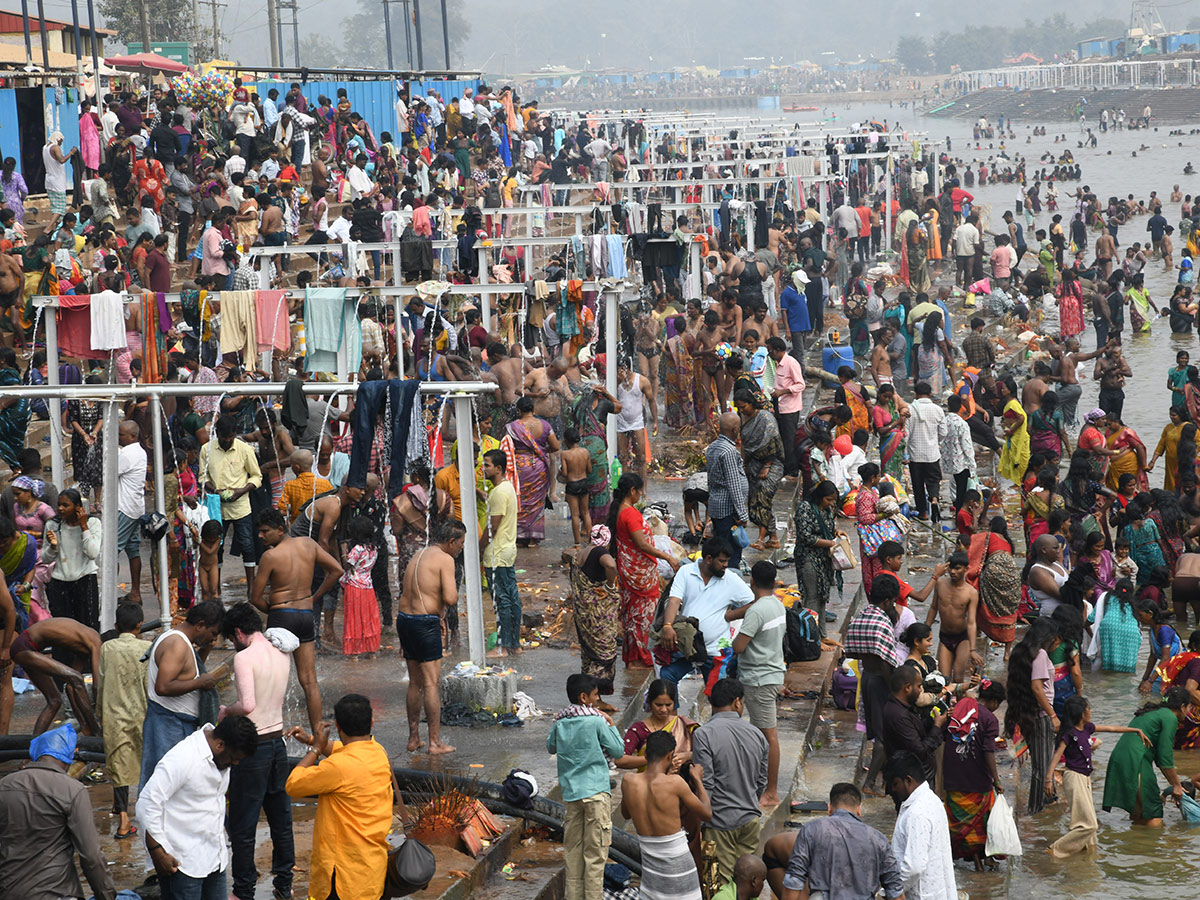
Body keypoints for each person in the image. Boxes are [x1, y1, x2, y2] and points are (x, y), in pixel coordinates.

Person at [216, 602, 295, 900]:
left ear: (238, 632)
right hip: (278, 744)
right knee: (280, 819)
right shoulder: (281, 651)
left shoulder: (245, 658)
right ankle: (284, 884)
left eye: (231, 639)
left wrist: (226, 711)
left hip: (254, 747)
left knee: (243, 822)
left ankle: (243, 890)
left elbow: (247, 705)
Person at [284, 694, 396, 900]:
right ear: (371, 722)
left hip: (343, 878)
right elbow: (341, 749)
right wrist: (310, 739)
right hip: (372, 869)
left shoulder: (337, 767)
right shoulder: (378, 751)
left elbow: (293, 783)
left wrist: (315, 749)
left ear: (337, 726)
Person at [138, 714, 258, 900]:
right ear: (220, 745)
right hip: (182, 863)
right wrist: (158, 852)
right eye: (234, 758)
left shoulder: (220, 757)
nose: (235, 763)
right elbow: (147, 802)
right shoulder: (183, 758)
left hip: (214, 858)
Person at [0, 723, 117, 900]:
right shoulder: (72, 790)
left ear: (36, 752)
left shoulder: (5, 786)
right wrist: (106, 895)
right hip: (57, 893)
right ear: (69, 756)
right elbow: (91, 855)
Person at [252, 508, 344, 733]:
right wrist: (313, 598)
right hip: (305, 616)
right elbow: (337, 570)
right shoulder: (309, 545)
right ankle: (318, 737)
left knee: (273, 681)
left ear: (280, 529)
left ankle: (270, 733)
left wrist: (275, 611)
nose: (260, 536)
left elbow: (254, 598)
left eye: (265, 532)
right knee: (310, 681)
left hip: (281, 618)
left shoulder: (270, 556)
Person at [548, 674, 633, 900]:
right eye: (595, 696)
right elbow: (617, 751)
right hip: (596, 794)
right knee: (595, 858)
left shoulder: (560, 722)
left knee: (574, 855)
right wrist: (612, 725)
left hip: (572, 796)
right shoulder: (597, 721)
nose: (597, 700)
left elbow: (550, 746)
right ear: (584, 697)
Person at [1046, 695, 1149, 858]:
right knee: (1089, 825)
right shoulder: (1070, 734)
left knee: (1088, 823)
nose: (1090, 711)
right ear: (1081, 713)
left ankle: (1087, 858)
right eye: (1088, 708)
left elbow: (1111, 729)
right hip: (1074, 778)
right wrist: (1048, 779)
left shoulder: (1087, 728)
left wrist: (1136, 731)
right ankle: (1056, 850)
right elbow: (1057, 756)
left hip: (1085, 778)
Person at [691, 679, 769, 883]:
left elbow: (707, 783)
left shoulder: (703, 734)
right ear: (737, 702)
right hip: (750, 819)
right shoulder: (757, 734)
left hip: (718, 822)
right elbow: (761, 780)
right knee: (747, 884)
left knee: (715, 884)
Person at [140, 600, 224, 786]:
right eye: (212, 633)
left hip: (175, 723)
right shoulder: (176, 644)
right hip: (169, 724)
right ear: (200, 625)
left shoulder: (182, 641)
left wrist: (207, 647)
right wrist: (199, 683)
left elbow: (188, 671)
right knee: (166, 782)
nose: (213, 638)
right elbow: (163, 687)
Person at [398, 518, 465, 755]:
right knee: (430, 683)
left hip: (405, 620)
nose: (461, 549)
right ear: (451, 541)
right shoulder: (445, 559)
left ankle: (414, 738)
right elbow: (450, 598)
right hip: (425, 624)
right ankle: (435, 742)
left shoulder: (420, 554)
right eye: (461, 544)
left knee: (415, 682)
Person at [620, 730, 712, 900]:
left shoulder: (628, 781)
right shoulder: (675, 783)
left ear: (645, 754)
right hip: (679, 865)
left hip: (650, 866)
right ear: (670, 756)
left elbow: (625, 814)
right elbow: (707, 813)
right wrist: (697, 780)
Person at [777, 782, 904, 900]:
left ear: (829, 808)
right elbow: (895, 890)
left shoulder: (812, 829)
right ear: (859, 809)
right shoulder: (879, 839)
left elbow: (794, 880)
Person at [726, 561, 787, 807]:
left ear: (751, 581)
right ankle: (759, 782)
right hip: (773, 674)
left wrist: (733, 637)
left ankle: (771, 792)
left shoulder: (757, 611)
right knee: (763, 734)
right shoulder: (776, 604)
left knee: (769, 735)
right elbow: (753, 609)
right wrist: (732, 614)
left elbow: (738, 647)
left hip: (758, 679)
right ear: (774, 582)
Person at [658, 537, 752, 684]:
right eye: (722, 561)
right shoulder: (686, 572)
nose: (726, 565)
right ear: (708, 559)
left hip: (717, 650)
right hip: (689, 647)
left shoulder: (730, 579)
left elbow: (754, 603)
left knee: (718, 695)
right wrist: (667, 625)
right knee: (667, 676)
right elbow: (674, 600)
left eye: (727, 561)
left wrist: (731, 615)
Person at [610, 472, 679, 669]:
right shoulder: (629, 514)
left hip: (632, 571)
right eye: (640, 492)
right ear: (632, 491)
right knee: (640, 617)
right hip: (638, 574)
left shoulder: (623, 511)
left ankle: (634, 658)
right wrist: (667, 556)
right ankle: (636, 659)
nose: (641, 496)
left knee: (633, 615)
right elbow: (641, 544)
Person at [97, 602, 150, 840]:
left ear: (116, 626)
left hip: (113, 713)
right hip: (141, 711)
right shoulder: (147, 647)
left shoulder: (107, 648)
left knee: (118, 766)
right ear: (140, 625)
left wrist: (99, 712)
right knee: (145, 761)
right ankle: (149, 812)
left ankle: (124, 820)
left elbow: (100, 682)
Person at [942, 679, 1006, 870]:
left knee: (960, 820)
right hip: (977, 777)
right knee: (979, 821)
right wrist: (996, 780)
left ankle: (978, 859)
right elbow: (988, 751)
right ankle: (979, 859)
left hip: (953, 773)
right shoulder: (989, 719)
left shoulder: (962, 708)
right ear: (994, 701)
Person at [1102, 687, 1189, 826]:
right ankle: (1154, 846)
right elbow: (1165, 757)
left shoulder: (1153, 712)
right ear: (1183, 707)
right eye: (1189, 707)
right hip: (1136, 760)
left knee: (1139, 814)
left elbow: (1160, 758)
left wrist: (1174, 784)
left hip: (1119, 758)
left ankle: (1136, 845)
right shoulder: (1170, 717)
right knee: (1154, 814)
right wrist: (1176, 785)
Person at [1004, 617, 1061, 814]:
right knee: (1042, 767)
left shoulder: (1021, 652)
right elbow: (1037, 688)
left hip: (1029, 713)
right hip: (1041, 715)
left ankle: (1050, 804)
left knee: (1042, 763)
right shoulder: (1041, 655)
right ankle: (1037, 811)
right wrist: (1052, 715)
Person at [9, 616, 101, 736]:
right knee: (77, 678)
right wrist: (98, 722)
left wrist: (83, 724)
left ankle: (33, 744)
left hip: (27, 649)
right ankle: (96, 732)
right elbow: (97, 687)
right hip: (25, 646)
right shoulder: (96, 641)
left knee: (55, 701)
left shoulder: (85, 648)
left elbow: (70, 687)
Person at [200, 416, 263, 590]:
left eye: (230, 436)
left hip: (241, 506)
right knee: (216, 545)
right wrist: (215, 491)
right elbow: (202, 478)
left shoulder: (244, 449)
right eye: (223, 437)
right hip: (216, 506)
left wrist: (241, 491)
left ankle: (251, 587)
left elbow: (257, 476)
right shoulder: (207, 449)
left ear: (235, 434)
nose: (227, 440)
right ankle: (216, 586)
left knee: (247, 545)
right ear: (217, 434)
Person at [884, 752, 956, 900]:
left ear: (908, 780)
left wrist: (892, 891)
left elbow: (914, 867)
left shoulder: (917, 813)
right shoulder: (932, 800)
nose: (893, 790)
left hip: (923, 893)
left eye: (895, 784)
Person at [564, 525, 619, 710]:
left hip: (583, 614)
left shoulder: (580, 554)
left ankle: (594, 701)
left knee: (589, 655)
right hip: (598, 616)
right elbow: (610, 565)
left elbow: (566, 553)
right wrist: (610, 586)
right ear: (607, 541)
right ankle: (591, 700)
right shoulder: (600, 552)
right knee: (604, 654)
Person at [481, 449, 522, 658]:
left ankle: (504, 646)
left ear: (498, 468)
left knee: (501, 600)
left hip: (496, 553)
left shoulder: (499, 493)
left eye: (487, 465)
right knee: (511, 598)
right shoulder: (507, 488)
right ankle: (514, 644)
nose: (483, 468)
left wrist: (478, 550)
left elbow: (492, 527)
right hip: (507, 550)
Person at [507, 396, 560, 545]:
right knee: (536, 502)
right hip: (539, 466)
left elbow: (507, 447)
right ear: (534, 410)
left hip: (520, 466)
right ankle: (532, 538)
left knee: (521, 500)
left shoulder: (512, 427)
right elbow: (555, 446)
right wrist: (541, 451)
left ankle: (519, 535)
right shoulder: (545, 426)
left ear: (518, 411)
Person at [881, 665, 947, 784]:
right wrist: (937, 727)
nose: (921, 690)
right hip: (913, 782)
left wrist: (933, 721)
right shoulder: (898, 715)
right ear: (907, 688)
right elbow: (920, 752)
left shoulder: (903, 708)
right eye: (919, 686)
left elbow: (917, 730)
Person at [793, 480, 845, 628]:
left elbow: (828, 527)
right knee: (812, 596)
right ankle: (812, 636)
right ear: (819, 496)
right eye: (828, 499)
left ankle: (821, 634)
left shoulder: (828, 509)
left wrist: (836, 532)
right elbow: (806, 537)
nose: (830, 503)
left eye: (833, 500)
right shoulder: (805, 508)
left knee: (822, 596)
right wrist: (830, 543)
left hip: (823, 558)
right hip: (808, 557)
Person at [926, 551, 982, 682]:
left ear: (966, 569)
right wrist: (925, 630)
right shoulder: (940, 584)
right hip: (944, 637)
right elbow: (933, 608)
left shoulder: (971, 593)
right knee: (943, 679)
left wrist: (973, 649)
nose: (953, 572)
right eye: (951, 568)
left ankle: (960, 703)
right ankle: (947, 702)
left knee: (958, 677)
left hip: (962, 639)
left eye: (957, 569)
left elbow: (972, 622)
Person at [620, 678, 699, 766]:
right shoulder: (639, 729)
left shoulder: (685, 726)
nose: (664, 710)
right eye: (658, 705)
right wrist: (656, 760)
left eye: (668, 705)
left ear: (674, 703)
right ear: (649, 702)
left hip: (680, 779)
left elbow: (705, 753)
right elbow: (620, 760)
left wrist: (688, 755)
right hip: (649, 779)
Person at [707, 412, 750, 570]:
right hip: (728, 509)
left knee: (720, 548)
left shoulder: (713, 447)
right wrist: (742, 514)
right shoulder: (729, 452)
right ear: (735, 429)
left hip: (717, 506)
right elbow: (734, 484)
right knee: (729, 552)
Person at [116, 420, 148, 604]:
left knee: (111, 551)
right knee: (133, 550)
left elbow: (109, 473)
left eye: (121, 435)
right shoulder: (140, 452)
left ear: (133, 436)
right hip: (135, 508)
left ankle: (109, 593)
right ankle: (135, 592)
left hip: (124, 508)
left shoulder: (128, 454)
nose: (118, 437)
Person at [905, 382, 946, 520]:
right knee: (933, 480)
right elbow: (943, 432)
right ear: (930, 394)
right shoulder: (937, 410)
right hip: (932, 454)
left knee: (918, 485)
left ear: (916, 394)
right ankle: (934, 500)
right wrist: (935, 441)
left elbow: (906, 434)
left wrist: (905, 452)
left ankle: (923, 512)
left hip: (915, 455)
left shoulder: (910, 409)